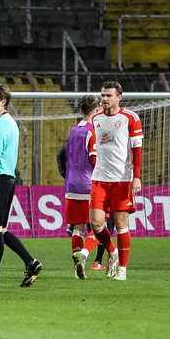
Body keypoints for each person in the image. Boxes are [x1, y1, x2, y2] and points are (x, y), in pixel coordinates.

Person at [0, 85, 43, 288]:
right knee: (0, 228)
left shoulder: (1, 125)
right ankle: (30, 262)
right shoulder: (10, 123)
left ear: (3, 102)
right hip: (6, 180)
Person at [88, 81, 143, 281]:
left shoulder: (131, 118)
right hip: (100, 179)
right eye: (103, 95)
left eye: (108, 95)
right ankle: (113, 252)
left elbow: (137, 150)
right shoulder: (96, 118)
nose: (104, 99)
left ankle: (123, 269)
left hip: (122, 179)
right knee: (96, 222)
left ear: (119, 97)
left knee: (121, 225)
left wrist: (136, 177)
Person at [57, 94, 102, 279]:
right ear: (97, 111)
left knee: (77, 229)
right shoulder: (93, 131)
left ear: (81, 110)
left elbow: (65, 155)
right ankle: (84, 255)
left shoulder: (73, 130)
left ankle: (77, 271)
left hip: (71, 185)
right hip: (88, 184)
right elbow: (94, 159)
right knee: (100, 226)